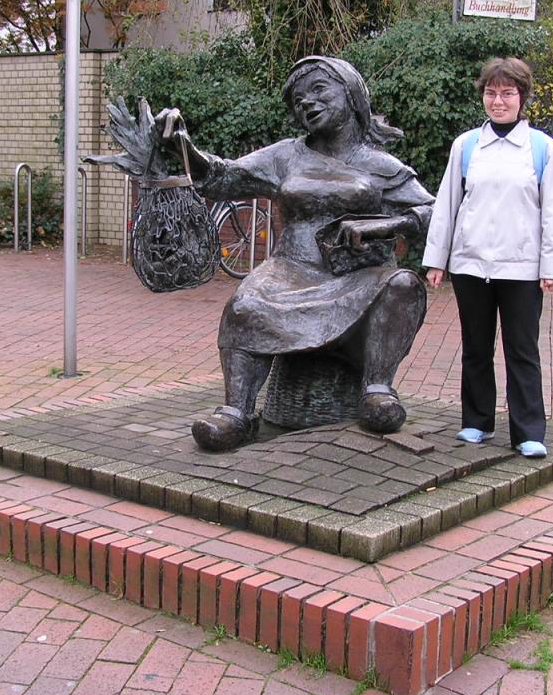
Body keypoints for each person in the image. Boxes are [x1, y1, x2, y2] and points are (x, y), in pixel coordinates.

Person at [159, 56, 434, 451]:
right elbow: (223, 176)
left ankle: (377, 391)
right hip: (291, 269)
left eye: (319, 90)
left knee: (403, 284)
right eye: (299, 99)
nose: (307, 102)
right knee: (245, 303)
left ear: (351, 95)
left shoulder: (381, 165)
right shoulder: (284, 156)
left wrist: (383, 225)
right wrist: (184, 148)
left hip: (358, 273)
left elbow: (432, 212)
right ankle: (236, 413)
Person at [422, 57, 553, 458]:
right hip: (471, 267)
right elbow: (447, 204)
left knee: (522, 351)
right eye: (491, 93)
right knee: (476, 348)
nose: (498, 101)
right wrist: (437, 260)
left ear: (522, 97)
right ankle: (476, 421)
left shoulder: (541, 148)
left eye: (507, 93)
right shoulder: (467, 146)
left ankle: (528, 432)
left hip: (522, 269)